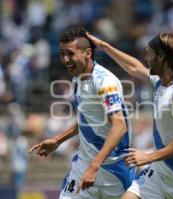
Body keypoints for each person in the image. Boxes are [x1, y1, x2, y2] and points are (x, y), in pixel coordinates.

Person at [87, 32, 173, 199]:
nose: (146, 58)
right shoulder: (160, 82)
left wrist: (147, 156)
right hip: (158, 174)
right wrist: (104, 46)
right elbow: (134, 67)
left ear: (161, 58)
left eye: (149, 54)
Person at [29, 27, 134, 199]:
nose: (65, 59)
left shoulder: (105, 82)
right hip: (84, 165)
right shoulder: (78, 78)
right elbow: (87, 119)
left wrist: (95, 166)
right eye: (62, 54)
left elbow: (120, 126)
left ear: (87, 53)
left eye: (70, 54)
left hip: (114, 170)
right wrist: (57, 140)